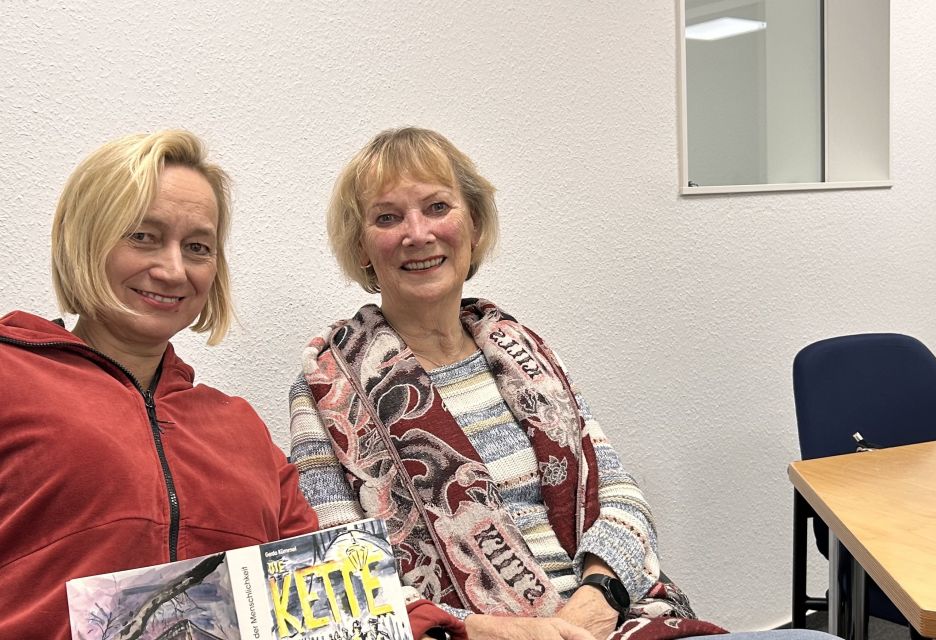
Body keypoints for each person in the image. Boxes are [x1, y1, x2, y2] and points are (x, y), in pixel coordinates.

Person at [289, 127, 837, 640]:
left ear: (473, 226)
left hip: (610, 620)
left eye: (437, 207)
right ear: (361, 247)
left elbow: (620, 492)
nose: (418, 233)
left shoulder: (521, 349)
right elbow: (345, 571)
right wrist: (495, 630)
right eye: (387, 218)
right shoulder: (326, 385)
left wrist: (597, 597)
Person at [0, 130, 318, 639]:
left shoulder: (242, 430)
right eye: (142, 236)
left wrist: (448, 628)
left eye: (197, 247)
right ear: (85, 238)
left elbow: (330, 585)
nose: (172, 270)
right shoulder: (9, 378)